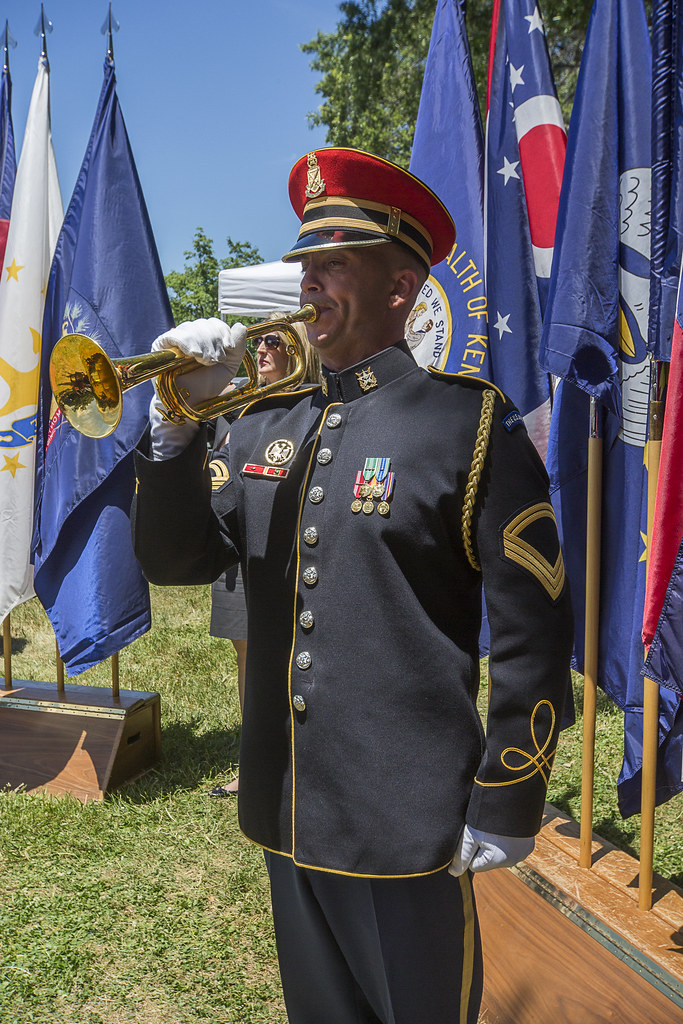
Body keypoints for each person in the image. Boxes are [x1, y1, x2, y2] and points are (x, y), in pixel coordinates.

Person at [132, 148, 573, 1024]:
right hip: (288, 805)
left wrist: (508, 793)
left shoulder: (465, 421)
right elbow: (176, 562)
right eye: (305, 264)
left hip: (405, 815)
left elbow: (533, 628)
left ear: (400, 288)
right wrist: (174, 429)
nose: (308, 283)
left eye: (334, 265)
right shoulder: (264, 421)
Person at [209, 319, 320, 796]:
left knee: (295, 655)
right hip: (236, 552)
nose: (262, 349)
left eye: (273, 340)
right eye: (258, 342)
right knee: (247, 653)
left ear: (301, 350)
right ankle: (255, 761)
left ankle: (302, 761)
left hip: (288, 553)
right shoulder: (237, 403)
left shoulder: (318, 405)